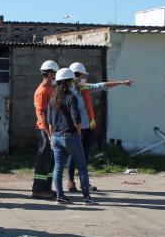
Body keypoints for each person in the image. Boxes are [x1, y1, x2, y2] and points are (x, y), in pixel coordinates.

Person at [65, 62, 134, 194]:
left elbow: (102, 85)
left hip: (87, 128)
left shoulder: (84, 87)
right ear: (77, 75)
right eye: (84, 75)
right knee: (73, 155)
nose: (86, 77)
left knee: (84, 156)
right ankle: (70, 181)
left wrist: (121, 82)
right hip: (74, 129)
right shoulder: (68, 91)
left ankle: (84, 182)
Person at [46, 68, 92, 205]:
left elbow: (50, 122)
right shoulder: (71, 97)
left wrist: (51, 137)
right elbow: (76, 119)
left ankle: (60, 196)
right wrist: (78, 134)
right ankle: (87, 198)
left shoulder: (52, 98)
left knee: (58, 168)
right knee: (82, 167)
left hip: (56, 136)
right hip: (70, 136)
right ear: (69, 82)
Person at [31, 60, 59, 200]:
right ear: (49, 74)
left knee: (50, 161)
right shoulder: (42, 91)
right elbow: (41, 114)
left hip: (51, 130)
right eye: (54, 73)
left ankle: (47, 188)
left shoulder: (50, 88)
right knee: (43, 159)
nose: (55, 76)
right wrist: (49, 134)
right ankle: (38, 189)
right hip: (45, 130)